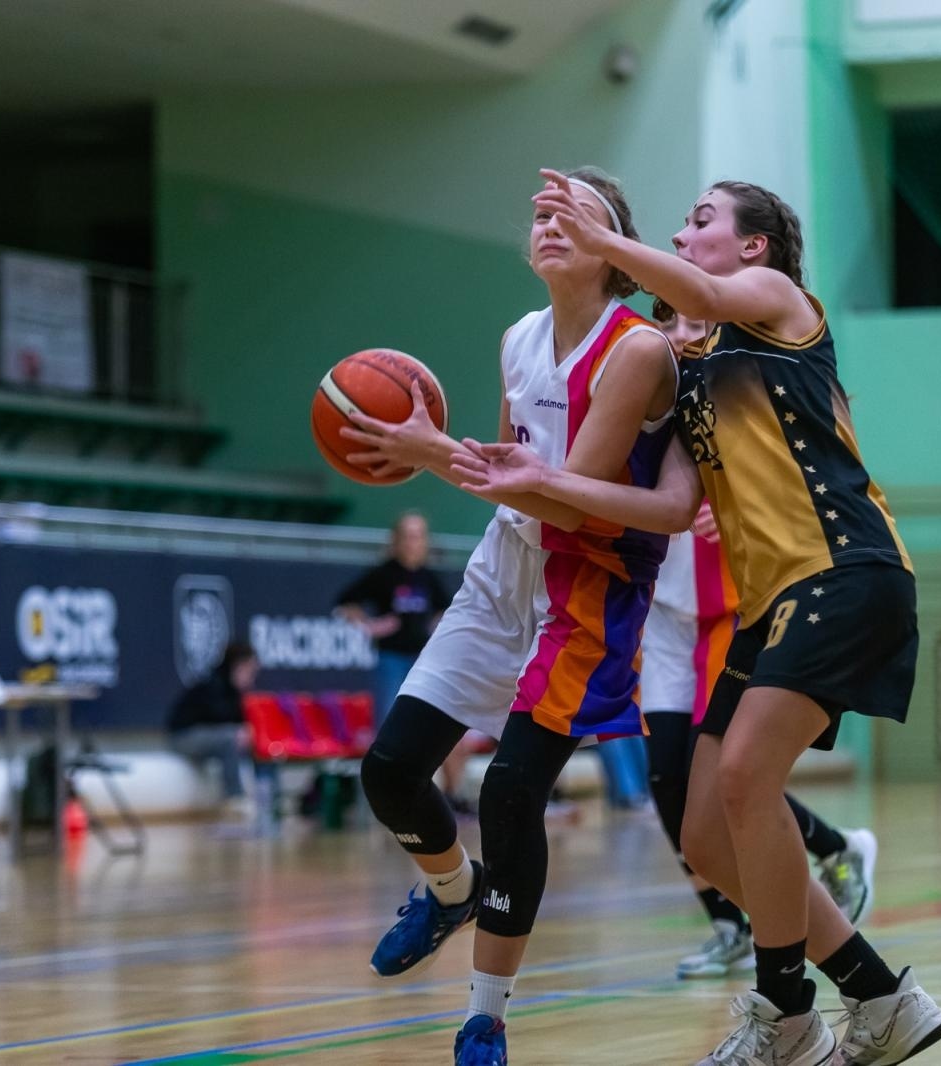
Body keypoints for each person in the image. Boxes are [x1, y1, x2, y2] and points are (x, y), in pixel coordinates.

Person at [454, 173, 941, 1066]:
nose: (685, 233)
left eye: (702, 219)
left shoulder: (774, 297)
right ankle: (881, 994)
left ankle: (789, 1015)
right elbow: (662, 491)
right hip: (770, 601)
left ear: (753, 244)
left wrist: (601, 241)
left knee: (747, 782)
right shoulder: (691, 357)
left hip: (842, 568)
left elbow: (710, 299)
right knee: (706, 837)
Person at [338, 167, 677, 1066]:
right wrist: (447, 453)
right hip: (505, 567)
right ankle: (450, 892)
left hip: (590, 578)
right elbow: (506, 467)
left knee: (511, 789)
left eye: (575, 214)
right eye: (540, 212)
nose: (550, 223)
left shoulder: (637, 349)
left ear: (615, 251)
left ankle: (485, 1015)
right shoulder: (518, 338)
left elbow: (570, 502)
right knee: (390, 770)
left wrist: (429, 451)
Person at [645, 307, 879, 982]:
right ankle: (728, 923)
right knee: (667, 777)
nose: (681, 331)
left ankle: (833, 851)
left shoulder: (743, 382)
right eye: (668, 320)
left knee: (719, 775)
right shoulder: (646, 384)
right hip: (662, 606)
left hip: (730, 607)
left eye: (695, 318)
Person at [334, 512, 468, 811]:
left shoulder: (428, 577)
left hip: (423, 660)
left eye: (419, 535)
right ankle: (391, 799)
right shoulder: (383, 574)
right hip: (391, 660)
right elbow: (345, 603)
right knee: (391, 728)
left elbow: (445, 610)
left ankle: (453, 798)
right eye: (408, 534)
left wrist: (438, 630)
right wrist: (371, 625)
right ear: (396, 540)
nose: (413, 541)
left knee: (446, 727)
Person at [167, 641, 261, 819]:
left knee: (249, 737)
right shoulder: (213, 684)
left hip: (209, 737)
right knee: (231, 737)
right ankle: (234, 798)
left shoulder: (237, 692)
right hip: (184, 737)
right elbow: (217, 717)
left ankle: (264, 794)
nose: (252, 677)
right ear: (239, 666)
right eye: (250, 671)